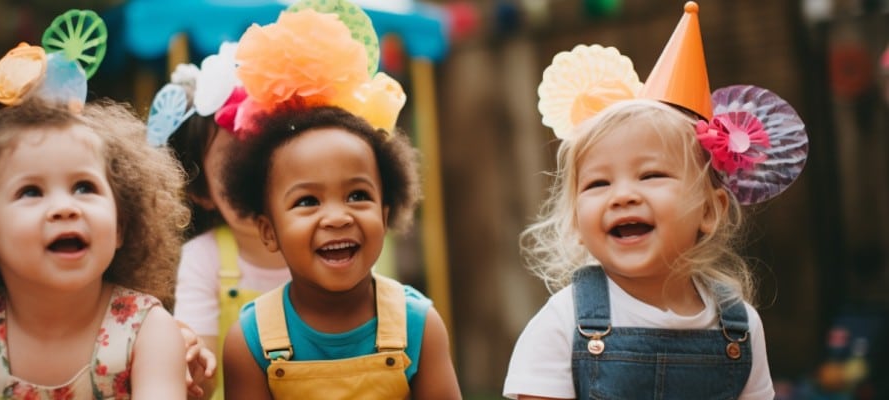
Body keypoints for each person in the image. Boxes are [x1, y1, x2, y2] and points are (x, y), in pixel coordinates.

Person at [503, 2, 808, 399]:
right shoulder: (563, 324)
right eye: (597, 184)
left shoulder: (739, 327)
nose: (624, 195)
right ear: (576, 221)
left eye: (652, 175)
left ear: (710, 210)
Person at [0, 35, 199, 398]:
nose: (65, 207)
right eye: (31, 192)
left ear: (120, 225)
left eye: (84, 187)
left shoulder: (148, 331)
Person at [215, 3, 463, 398]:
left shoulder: (418, 325)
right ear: (269, 230)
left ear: (385, 213)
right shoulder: (251, 340)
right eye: (307, 201)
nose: (337, 216)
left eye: (357, 195)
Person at [147, 46, 291, 400]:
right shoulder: (204, 259)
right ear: (202, 191)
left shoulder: (321, 241)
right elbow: (203, 382)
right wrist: (189, 361)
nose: (253, 175)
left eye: (265, 152)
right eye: (233, 163)